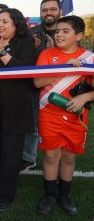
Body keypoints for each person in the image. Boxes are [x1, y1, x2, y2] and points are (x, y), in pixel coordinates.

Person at [34, 16, 94, 215]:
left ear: (78, 35)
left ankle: (64, 196)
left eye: (65, 31)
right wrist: (64, 68)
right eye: (57, 31)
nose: (59, 34)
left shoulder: (89, 57)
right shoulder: (47, 53)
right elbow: (37, 83)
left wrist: (84, 97)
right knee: (51, 155)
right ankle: (50, 196)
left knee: (69, 157)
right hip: (49, 114)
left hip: (76, 116)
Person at [0, 8, 36, 211]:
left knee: (11, 151)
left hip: (15, 108)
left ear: (16, 24)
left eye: (5, 21)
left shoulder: (26, 43)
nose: (0, 25)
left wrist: (3, 53)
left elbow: (23, 71)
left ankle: (5, 194)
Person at [21, 0, 62, 172]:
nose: (48, 13)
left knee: (58, 125)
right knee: (31, 123)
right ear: (40, 13)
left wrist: (54, 51)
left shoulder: (67, 31)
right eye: (45, 10)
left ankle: (58, 157)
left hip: (61, 88)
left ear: (60, 11)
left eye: (52, 9)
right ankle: (28, 157)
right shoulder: (31, 33)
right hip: (34, 87)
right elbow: (25, 59)